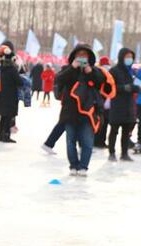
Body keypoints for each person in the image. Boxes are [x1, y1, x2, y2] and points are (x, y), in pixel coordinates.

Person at [55, 43, 106, 175]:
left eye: (85, 55)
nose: (82, 57)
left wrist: (90, 71)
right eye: (79, 55)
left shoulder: (95, 71)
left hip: (88, 112)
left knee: (87, 141)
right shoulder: (67, 69)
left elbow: (101, 83)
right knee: (70, 141)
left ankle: (84, 166)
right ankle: (73, 165)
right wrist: (72, 68)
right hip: (70, 111)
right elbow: (59, 79)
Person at [108, 48, 138, 161]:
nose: (129, 59)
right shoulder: (114, 70)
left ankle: (124, 153)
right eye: (127, 57)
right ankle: (112, 152)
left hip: (129, 105)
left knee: (126, 132)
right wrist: (123, 88)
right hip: (117, 104)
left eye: (131, 57)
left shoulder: (133, 71)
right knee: (114, 130)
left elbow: (137, 84)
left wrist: (136, 88)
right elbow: (109, 87)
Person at [0, 45, 22, 143]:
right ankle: (6, 135)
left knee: (3, 116)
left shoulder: (1, 67)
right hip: (10, 96)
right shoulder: (12, 69)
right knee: (9, 116)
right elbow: (19, 82)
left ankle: (0, 135)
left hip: (1, 95)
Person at [93, 56, 111, 148]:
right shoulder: (100, 73)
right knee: (102, 122)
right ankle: (98, 141)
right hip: (102, 99)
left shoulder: (99, 72)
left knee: (101, 121)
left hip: (102, 99)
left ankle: (99, 141)